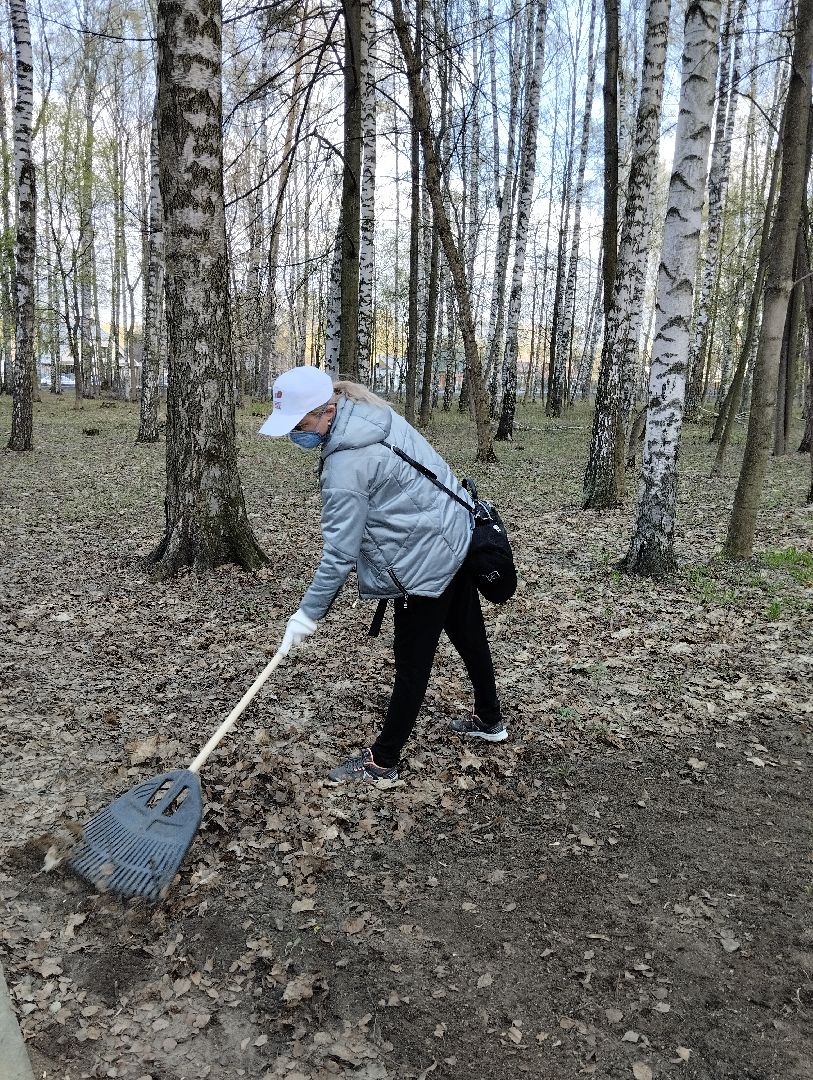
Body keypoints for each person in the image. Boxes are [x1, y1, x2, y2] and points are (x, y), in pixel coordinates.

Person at [259, 365, 506, 783]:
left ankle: (382, 760)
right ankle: (489, 718)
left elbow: (338, 555)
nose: (294, 436)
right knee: (469, 635)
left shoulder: (346, 467)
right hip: (454, 534)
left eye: (298, 426)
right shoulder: (369, 411)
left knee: (412, 663)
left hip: (422, 560)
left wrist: (306, 615)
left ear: (326, 411)